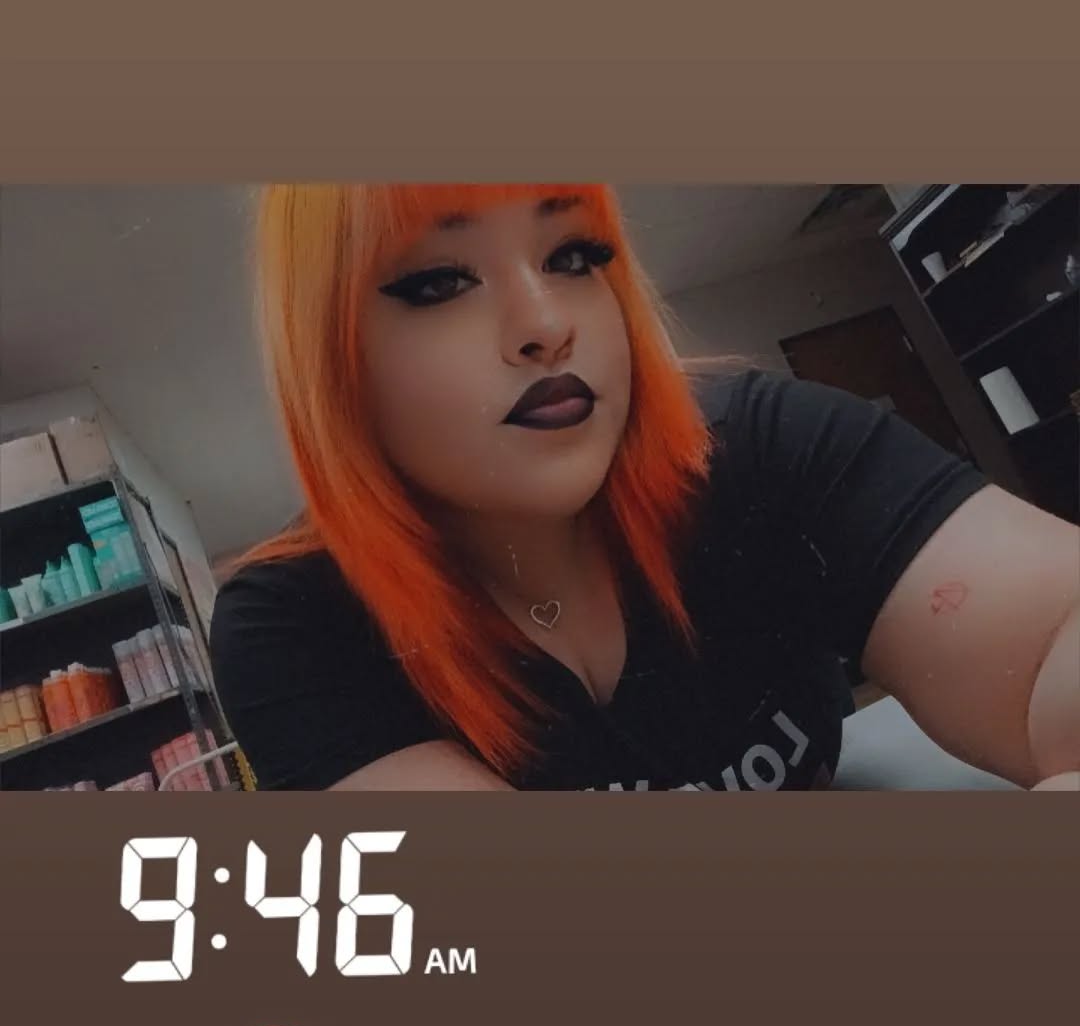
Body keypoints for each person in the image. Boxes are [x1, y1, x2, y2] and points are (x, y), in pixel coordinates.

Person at [209, 183, 1080, 793]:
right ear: (334, 360)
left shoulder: (757, 445)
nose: (547, 324)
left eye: (572, 255)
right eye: (440, 281)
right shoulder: (296, 619)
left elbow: (1053, 637)